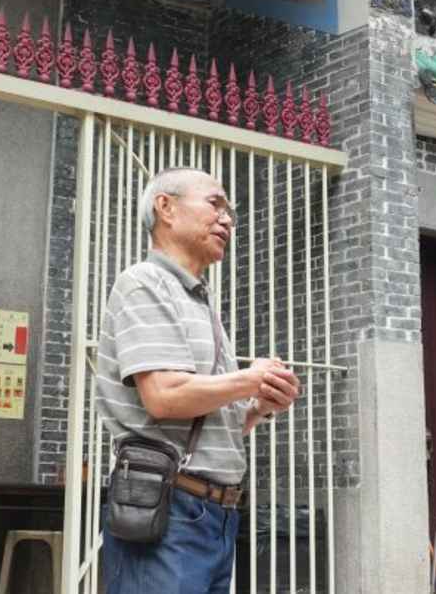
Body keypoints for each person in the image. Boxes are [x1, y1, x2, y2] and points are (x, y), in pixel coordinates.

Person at [97, 167, 301, 594]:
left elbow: (204, 418)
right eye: (215, 203)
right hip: (170, 512)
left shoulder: (200, 301)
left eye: (229, 210)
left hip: (216, 515)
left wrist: (258, 405)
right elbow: (165, 399)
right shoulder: (144, 284)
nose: (227, 219)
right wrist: (250, 378)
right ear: (165, 208)